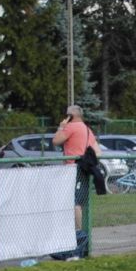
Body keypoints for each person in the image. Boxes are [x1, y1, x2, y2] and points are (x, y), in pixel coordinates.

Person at [52, 105, 97, 256]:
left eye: (67, 115)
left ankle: (78, 231)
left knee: (75, 202)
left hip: (73, 168)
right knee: (78, 201)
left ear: (71, 116)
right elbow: (96, 149)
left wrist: (61, 127)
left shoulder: (70, 127)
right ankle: (78, 231)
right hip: (84, 167)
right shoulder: (86, 128)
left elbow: (56, 141)